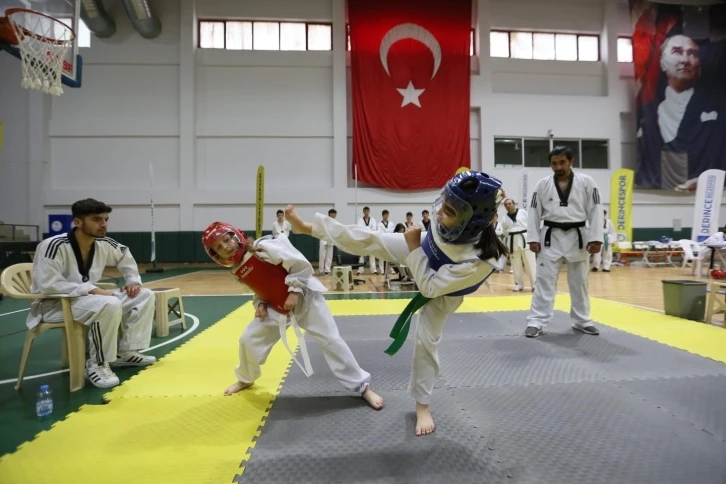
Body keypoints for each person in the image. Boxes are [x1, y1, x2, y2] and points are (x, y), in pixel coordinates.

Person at [284, 170, 507, 437]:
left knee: (426, 343)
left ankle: (422, 406)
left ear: (472, 222)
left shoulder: (480, 261)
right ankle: (308, 228)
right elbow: (414, 247)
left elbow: (430, 287)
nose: (438, 213)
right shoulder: (447, 226)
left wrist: (413, 247)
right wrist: (416, 246)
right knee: (372, 239)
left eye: (448, 211)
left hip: (444, 293)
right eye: (443, 203)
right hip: (427, 251)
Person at [200, 221, 383, 410]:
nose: (226, 247)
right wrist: (261, 304)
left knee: (331, 340)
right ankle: (246, 378)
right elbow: (259, 289)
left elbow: (299, 264)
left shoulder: (263, 247)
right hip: (277, 306)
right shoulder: (237, 270)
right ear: (216, 255)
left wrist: (294, 292)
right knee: (248, 340)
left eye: (226, 240)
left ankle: (363, 387)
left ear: (236, 236)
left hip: (305, 298)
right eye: (219, 247)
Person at [26, 198, 156, 389]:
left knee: (144, 295)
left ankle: (125, 352)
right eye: (96, 220)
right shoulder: (53, 245)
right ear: (78, 222)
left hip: (86, 300)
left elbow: (124, 254)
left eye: (105, 219)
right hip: (54, 304)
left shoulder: (103, 242)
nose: (103, 225)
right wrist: (91, 289)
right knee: (109, 304)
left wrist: (133, 281)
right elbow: (47, 284)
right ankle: (97, 364)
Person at [525, 146, 603, 338]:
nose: (558, 167)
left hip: (578, 237)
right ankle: (536, 321)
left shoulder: (586, 182)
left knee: (579, 282)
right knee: (544, 282)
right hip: (550, 238)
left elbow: (596, 209)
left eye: (562, 162)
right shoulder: (542, 185)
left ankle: (582, 320)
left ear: (571, 161)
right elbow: (533, 211)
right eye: (554, 163)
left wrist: (596, 238)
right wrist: (533, 238)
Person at [501, 198, 536, 291]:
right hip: (512, 240)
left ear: (514, 204)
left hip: (525, 238)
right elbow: (505, 232)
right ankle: (518, 283)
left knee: (530, 263)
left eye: (509, 203)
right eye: (506, 205)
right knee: (515, 264)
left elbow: (531, 223)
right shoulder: (504, 218)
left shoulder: (523, 212)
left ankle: (534, 284)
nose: (508, 205)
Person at [318, 208, 337, 275]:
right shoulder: (324, 221)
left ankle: (327, 270)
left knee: (329, 257)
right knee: (322, 256)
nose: (334, 215)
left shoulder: (335, 222)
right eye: (332, 213)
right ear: (329, 214)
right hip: (324, 240)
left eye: (335, 214)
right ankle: (321, 270)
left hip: (331, 241)